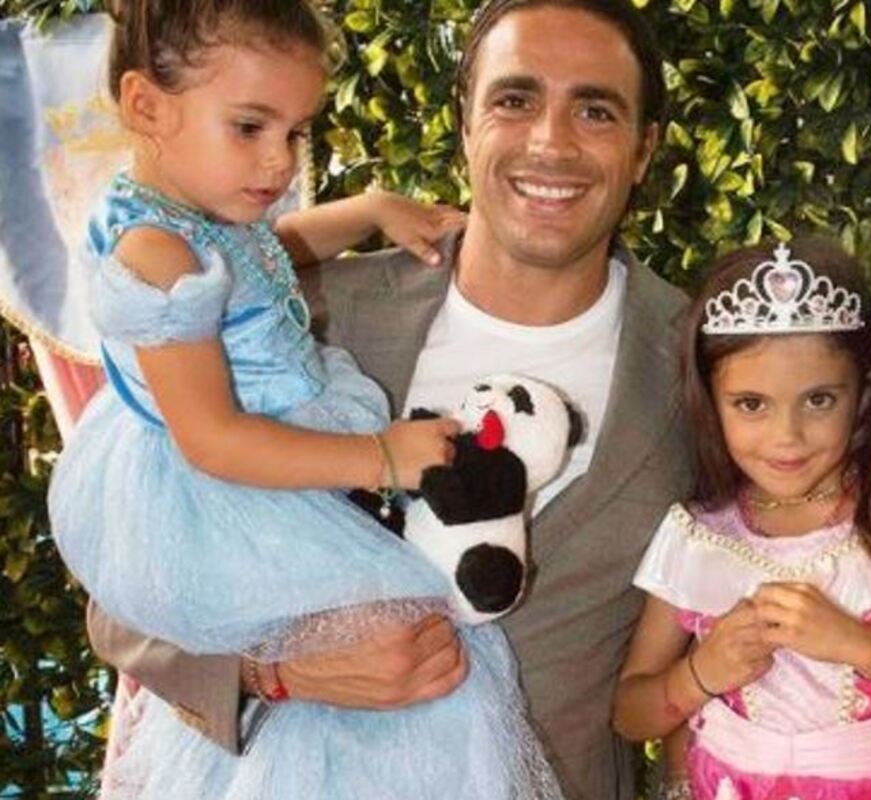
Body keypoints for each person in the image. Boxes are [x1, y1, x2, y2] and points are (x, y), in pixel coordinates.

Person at [85, 0, 694, 797]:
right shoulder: (298, 320)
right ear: (465, 123)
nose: (551, 141)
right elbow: (127, 591)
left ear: (644, 149)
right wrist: (278, 671)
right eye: (515, 100)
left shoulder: (704, 371)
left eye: (595, 110)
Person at [613, 237, 871, 799]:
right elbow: (631, 714)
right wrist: (700, 672)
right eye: (751, 404)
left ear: (864, 396)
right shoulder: (699, 538)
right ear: (711, 402)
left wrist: (861, 648)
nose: (787, 436)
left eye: (819, 400)